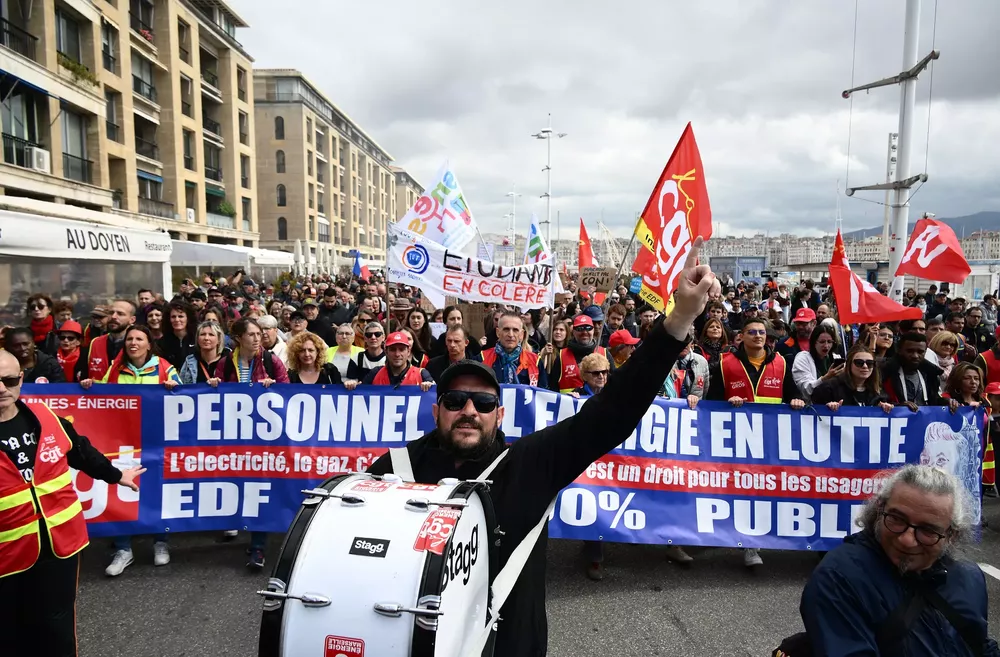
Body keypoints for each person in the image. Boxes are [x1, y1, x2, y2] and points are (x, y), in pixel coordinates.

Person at [365, 236, 714, 657]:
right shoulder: (393, 471)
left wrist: (678, 320)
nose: (469, 410)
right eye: (456, 401)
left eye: (485, 402)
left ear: (501, 415)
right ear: (438, 411)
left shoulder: (528, 465)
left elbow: (612, 413)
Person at [0, 350, 145, 657]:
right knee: (9, 631)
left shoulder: (44, 415)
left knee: (56, 626)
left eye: (9, 380)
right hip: (7, 554)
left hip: (60, 544)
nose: (2, 388)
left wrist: (117, 475)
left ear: (21, 380)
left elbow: (81, 452)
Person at [794, 465, 999, 656]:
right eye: (897, 519)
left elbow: (979, 645)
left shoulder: (968, 577)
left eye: (927, 530)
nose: (906, 540)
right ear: (879, 508)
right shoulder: (839, 579)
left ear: (951, 535)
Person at [79, 324, 179, 575]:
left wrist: (172, 387)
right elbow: (102, 394)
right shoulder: (116, 367)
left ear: (149, 344)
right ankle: (123, 549)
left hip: (157, 439)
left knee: (156, 491)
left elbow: (184, 395)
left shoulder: (165, 367)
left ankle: (160, 543)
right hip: (122, 440)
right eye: (129, 339)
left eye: (139, 339)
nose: (133, 343)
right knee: (119, 491)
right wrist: (91, 385)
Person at [208, 318, 289, 569]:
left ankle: (258, 547)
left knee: (259, 487)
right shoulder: (225, 362)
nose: (257, 338)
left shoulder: (270, 361)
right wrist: (215, 385)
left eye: (260, 333)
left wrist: (274, 388)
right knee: (236, 484)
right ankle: (235, 523)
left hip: (264, 438)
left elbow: (288, 390)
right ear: (239, 338)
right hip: (235, 436)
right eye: (252, 334)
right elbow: (216, 392)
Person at [811, 344, 893, 412]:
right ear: (849, 365)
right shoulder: (829, 388)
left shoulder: (878, 393)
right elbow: (814, 412)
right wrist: (826, 409)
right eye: (859, 363)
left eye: (870, 363)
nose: (865, 366)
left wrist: (886, 407)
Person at [346, 331, 434, 390]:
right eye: (392, 349)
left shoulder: (422, 374)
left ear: (408, 351)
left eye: (401, 349)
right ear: (386, 352)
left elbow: (435, 394)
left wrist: (430, 386)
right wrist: (352, 385)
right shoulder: (375, 373)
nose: (397, 354)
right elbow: (360, 392)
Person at [548, 315, 613, 393]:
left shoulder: (604, 353)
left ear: (593, 330)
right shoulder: (562, 356)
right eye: (580, 329)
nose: (584, 332)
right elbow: (552, 389)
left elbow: (616, 383)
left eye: (588, 328)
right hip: (570, 404)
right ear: (573, 331)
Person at [481, 311, 547, 388]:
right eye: (506, 329)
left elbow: (543, 393)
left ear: (522, 334)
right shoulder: (482, 358)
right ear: (498, 332)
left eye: (515, 330)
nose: (511, 335)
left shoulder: (536, 361)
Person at [881, 332, 945, 409]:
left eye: (920, 352)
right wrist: (898, 407)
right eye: (910, 351)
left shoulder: (930, 374)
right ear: (899, 350)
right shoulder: (885, 373)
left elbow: (934, 400)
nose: (915, 356)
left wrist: (946, 402)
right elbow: (878, 401)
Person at [84, 299, 136, 381]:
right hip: (98, 393)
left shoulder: (138, 344)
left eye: (120, 314)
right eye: (111, 313)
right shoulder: (95, 343)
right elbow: (83, 374)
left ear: (132, 320)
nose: (113, 317)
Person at [791, 324, 843, 403]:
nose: (826, 346)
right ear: (814, 342)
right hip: (809, 408)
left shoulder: (836, 359)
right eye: (822, 342)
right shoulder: (802, 358)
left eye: (829, 342)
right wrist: (825, 378)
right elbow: (806, 389)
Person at [157, 301, 197, 370]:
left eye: (181, 316)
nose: (177, 320)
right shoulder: (161, 343)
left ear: (188, 318)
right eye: (173, 317)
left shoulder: (196, 339)